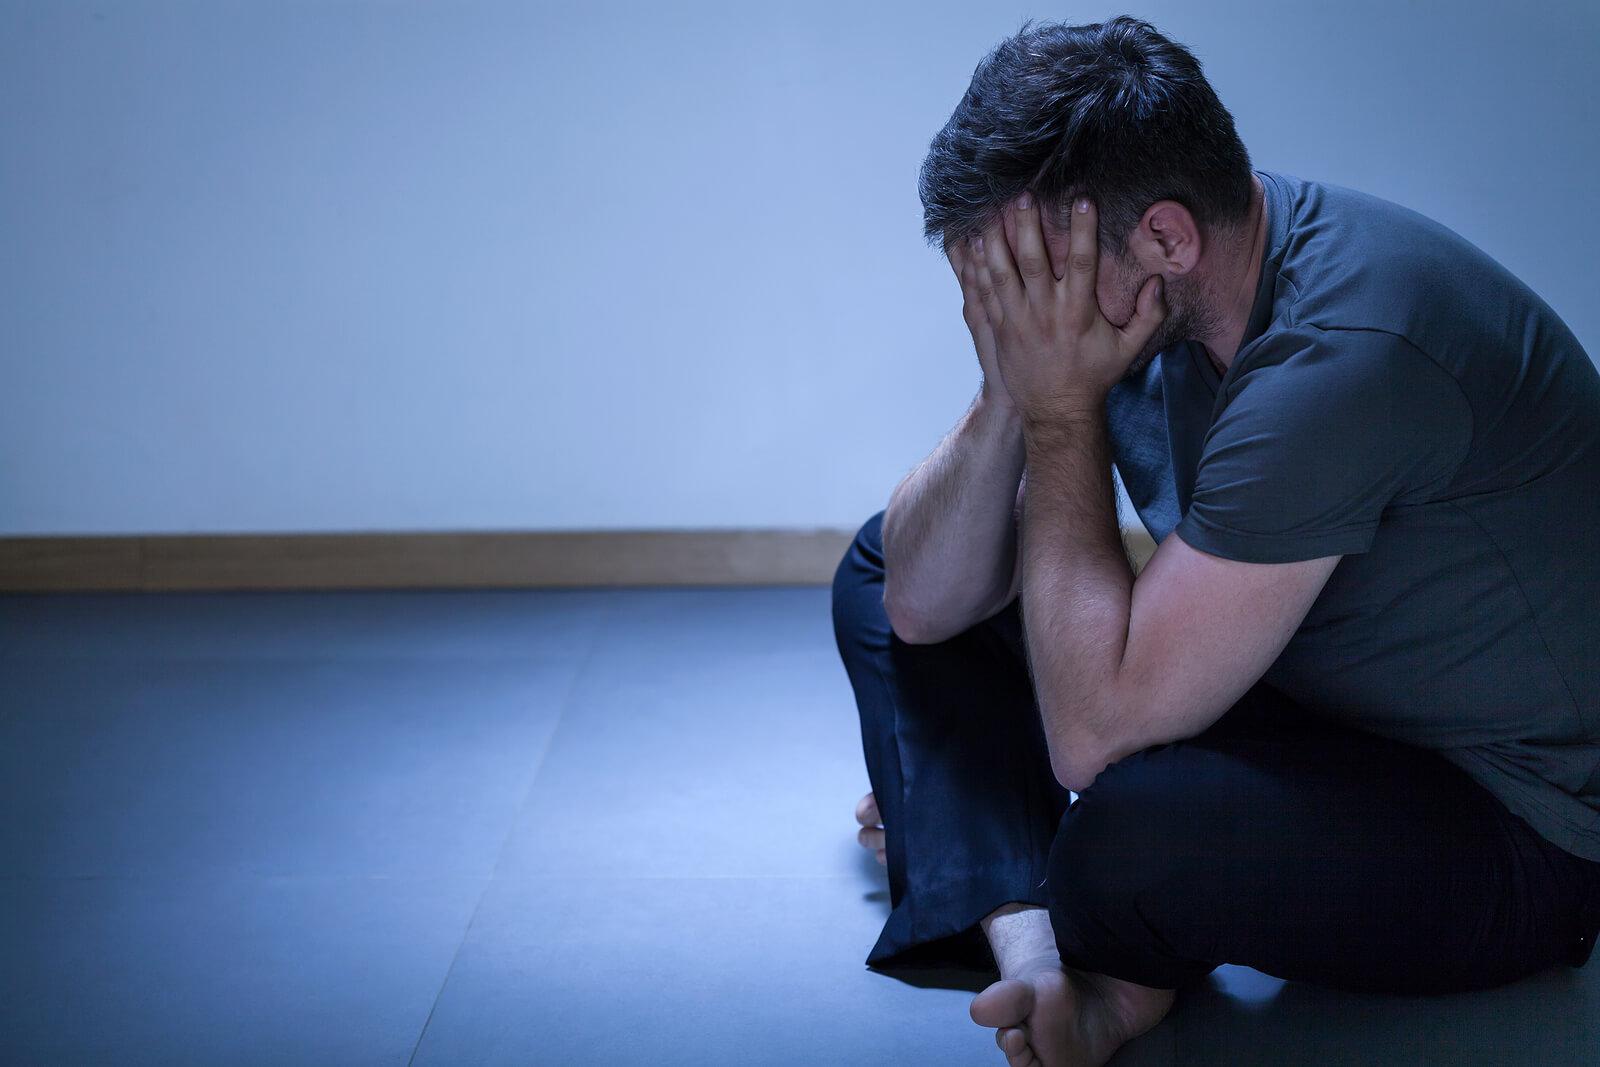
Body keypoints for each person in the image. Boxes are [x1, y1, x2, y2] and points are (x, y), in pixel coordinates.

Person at [831, 14, 1600, 1067]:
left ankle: (1002, 860)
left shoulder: (1342, 352)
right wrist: (1015, 386)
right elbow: (919, 605)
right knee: (887, 567)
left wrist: (1059, 414)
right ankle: (1034, 940)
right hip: (1322, 699)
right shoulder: (1167, 290)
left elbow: (1089, 742)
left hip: (1514, 822)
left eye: (1033, 281)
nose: (1015, 312)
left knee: (1127, 829)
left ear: (1164, 239)